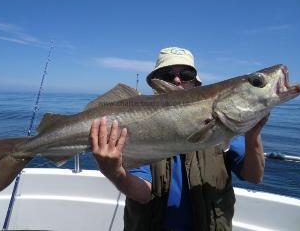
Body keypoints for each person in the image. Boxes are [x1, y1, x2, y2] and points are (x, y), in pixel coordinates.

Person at [89, 47, 269, 231]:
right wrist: (114, 172)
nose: (177, 79)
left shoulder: (226, 129)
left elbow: (254, 176)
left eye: (186, 73)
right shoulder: (136, 128)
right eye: (167, 75)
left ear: (196, 83)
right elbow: (143, 193)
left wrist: (253, 135)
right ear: (155, 84)